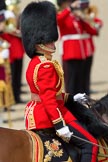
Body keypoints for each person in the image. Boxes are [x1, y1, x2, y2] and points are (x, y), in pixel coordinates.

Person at [20, 1, 98, 162]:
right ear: (39, 43)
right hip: (50, 115)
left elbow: (46, 93)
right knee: (91, 144)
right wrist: (60, 126)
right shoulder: (46, 66)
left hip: (36, 112)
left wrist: (71, 98)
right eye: (49, 40)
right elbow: (48, 99)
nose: (53, 43)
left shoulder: (35, 62)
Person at [56, 0, 99, 95]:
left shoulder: (77, 16)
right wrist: (69, 9)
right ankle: (71, 104)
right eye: (69, 2)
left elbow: (91, 30)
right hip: (70, 52)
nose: (72, 4)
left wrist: (84, 18)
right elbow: (58, 20)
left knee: (81, 80)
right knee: (71, 81)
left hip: (81, 52)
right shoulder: (62, 14)